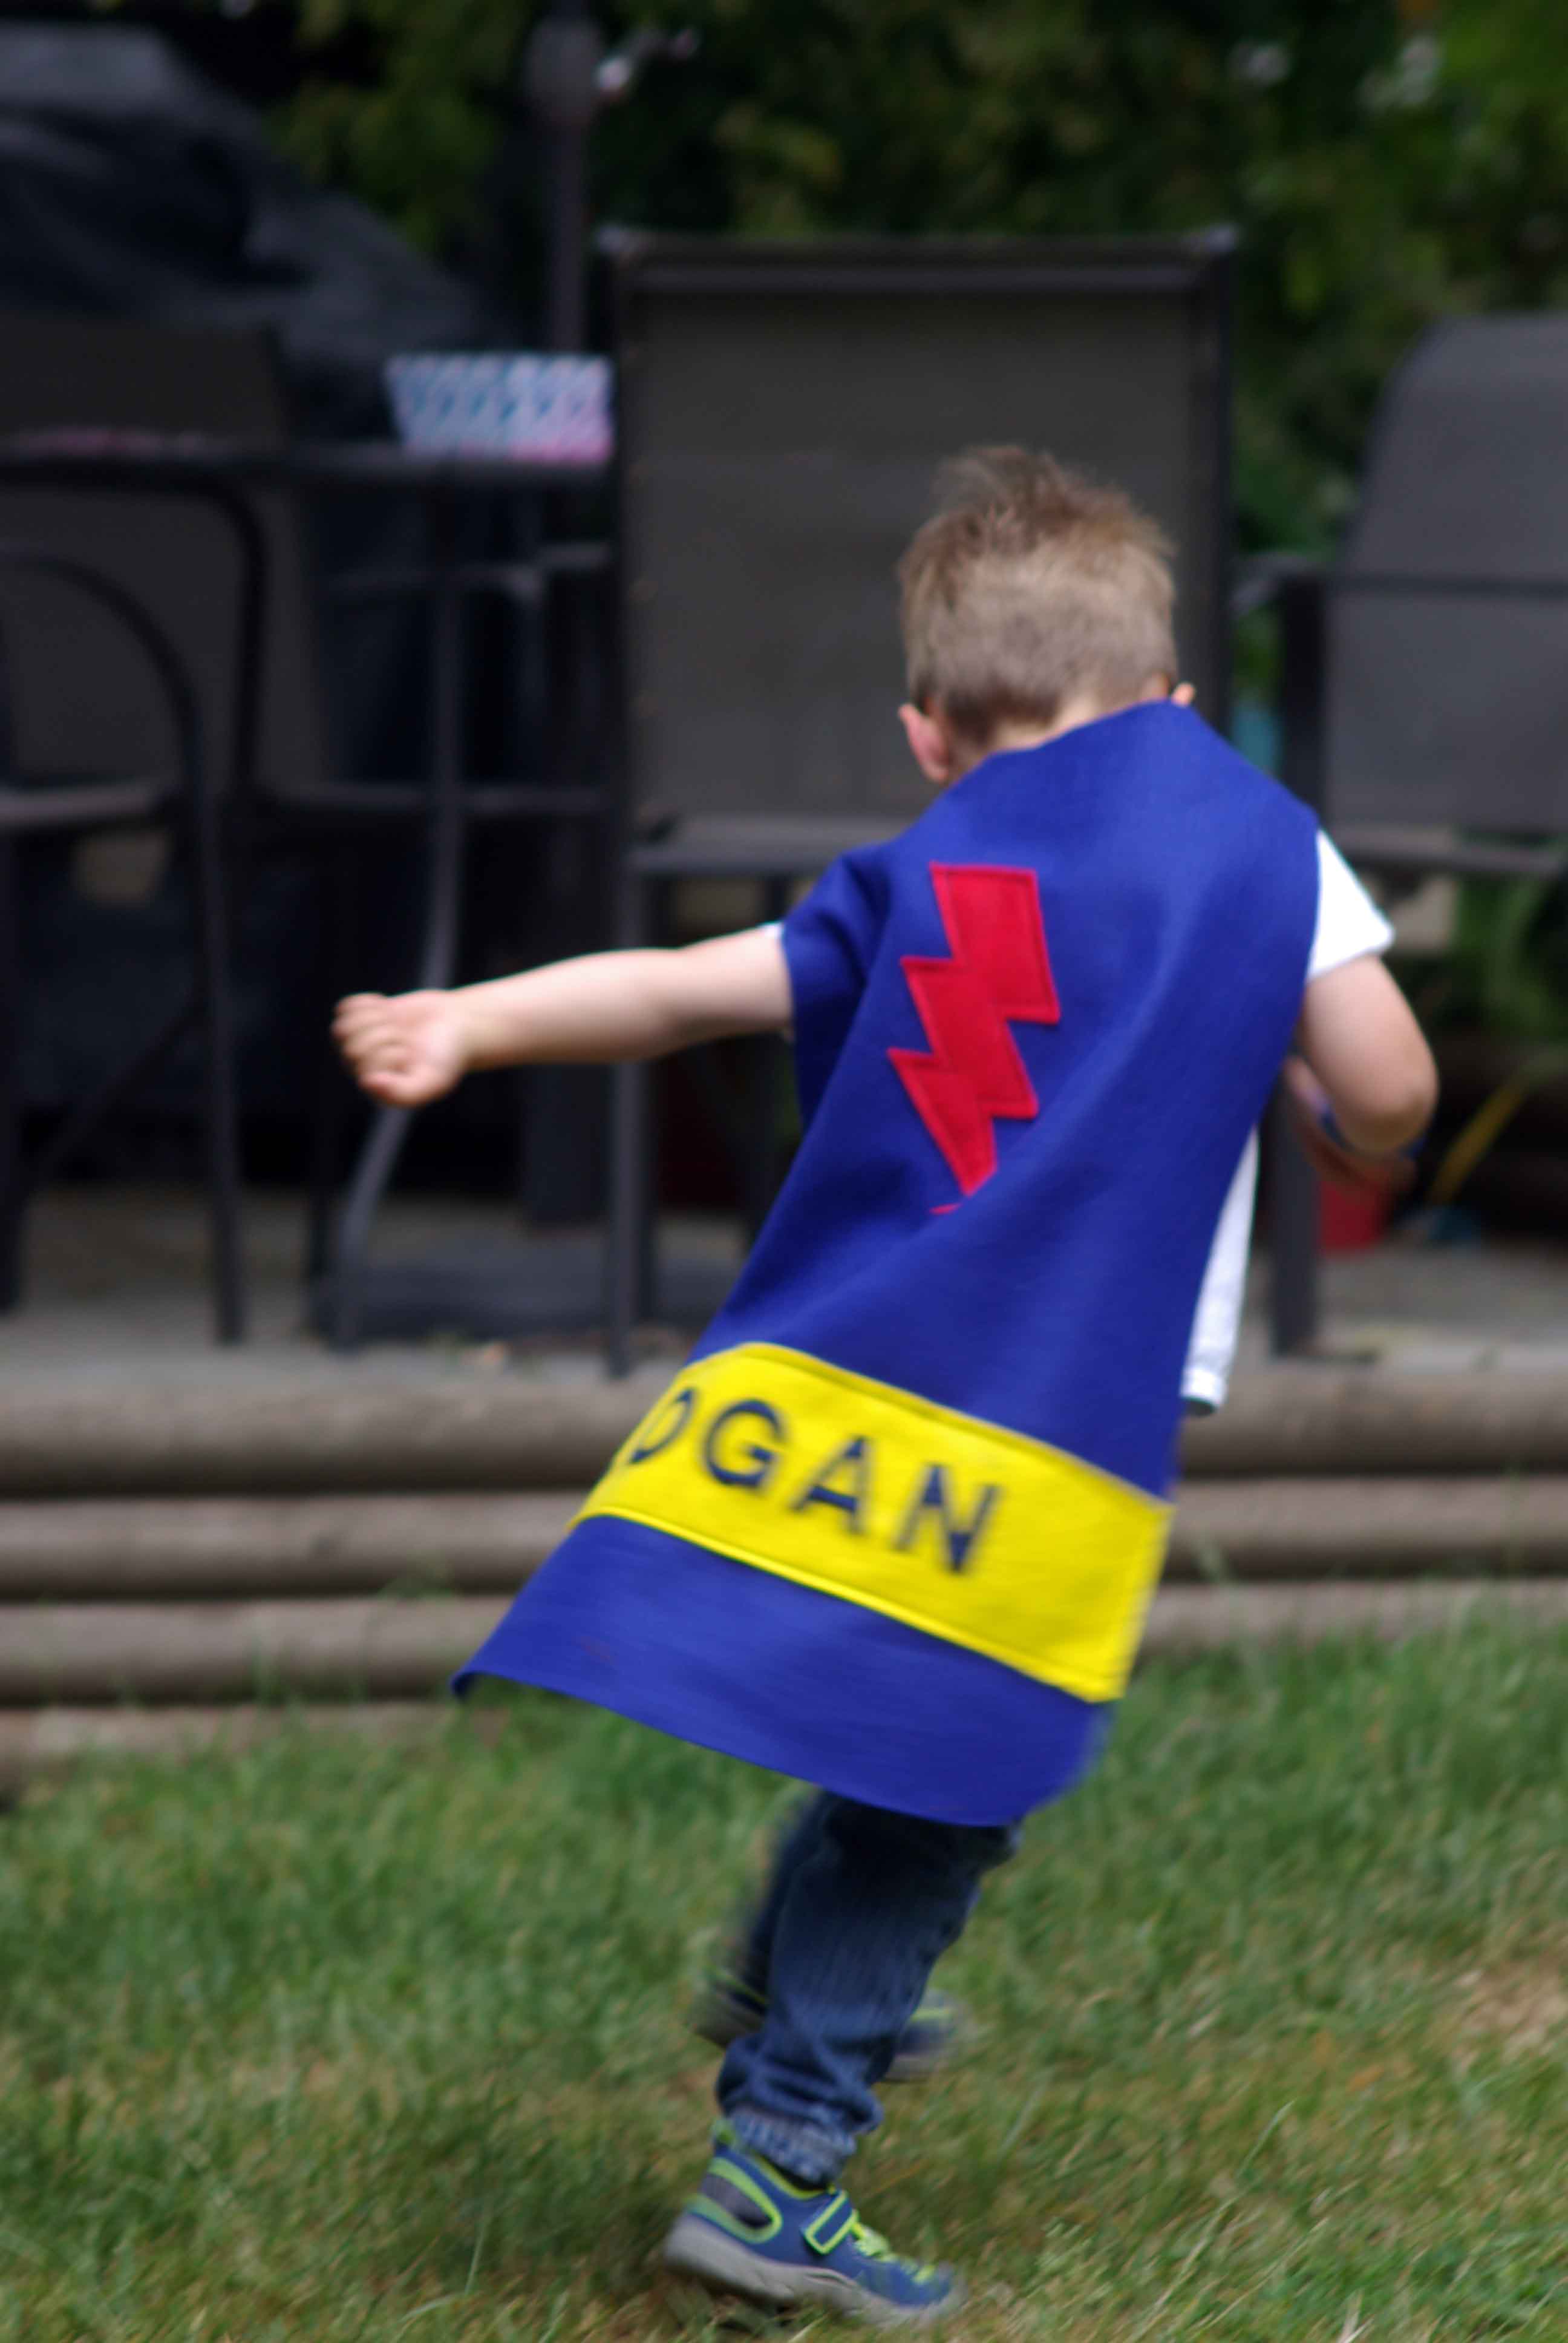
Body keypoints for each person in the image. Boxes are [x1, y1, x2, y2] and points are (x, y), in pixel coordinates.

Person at [335, 448, 1436, 2330]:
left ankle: (787, 1975)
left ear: (927, 738)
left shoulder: (920, 875)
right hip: (1049, 1406)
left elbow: (686, 987)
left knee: (895, 1723)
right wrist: (1347, 1119)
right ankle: (781, 2159)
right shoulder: (1259, 838)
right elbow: (1392, 1081)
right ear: (1174, 701)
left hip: (863, 1372)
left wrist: (471, 1020)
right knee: (955, 1773)